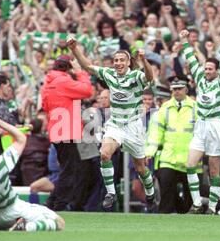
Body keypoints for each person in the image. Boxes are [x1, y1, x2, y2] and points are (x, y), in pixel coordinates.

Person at [67, 37, 157, 212]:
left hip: (133, 127)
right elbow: (88, 67)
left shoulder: (136, 76)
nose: (118, 63)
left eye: (121, 60)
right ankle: (111, 193)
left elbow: (149, 76)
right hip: (115, 124)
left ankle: (151, 193)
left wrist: (144, 60)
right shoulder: (109, 74)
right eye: (115, 60)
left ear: (129, 62)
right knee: (104, 155)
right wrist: (74, 49)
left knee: (140, 167)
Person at [179, 29, 220, 214]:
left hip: (215, 125)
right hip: (200, 124)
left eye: (210, 69)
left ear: (216, 71)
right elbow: (191, 59)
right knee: (190, 165)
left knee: (214, 170)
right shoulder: (200, 78)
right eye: (206, 68)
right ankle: (196, 204)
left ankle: (211, 208)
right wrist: (185, 41)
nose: (207, 71)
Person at [41, 54, 94, 211]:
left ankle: (55, 203)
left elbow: (45, 106)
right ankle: (55, 204)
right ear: (69, 67)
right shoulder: (63, 81)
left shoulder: (48, 83)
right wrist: (81, 73)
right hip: (67, 131)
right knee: (70, 171)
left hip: (56, 129)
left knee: (69, 169)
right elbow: (87, 91)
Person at [145, 78, 200, 213]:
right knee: (167, 194)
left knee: (190, 198)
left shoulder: (196, 108)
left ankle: (185, 216)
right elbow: (155, 132)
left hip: (190, 160)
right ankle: (164, 220)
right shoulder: (165, 109)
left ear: (186, 90)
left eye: (179, 89)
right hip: (168, 159)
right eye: (174, 89)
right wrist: (149, 151)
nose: (176, 92)